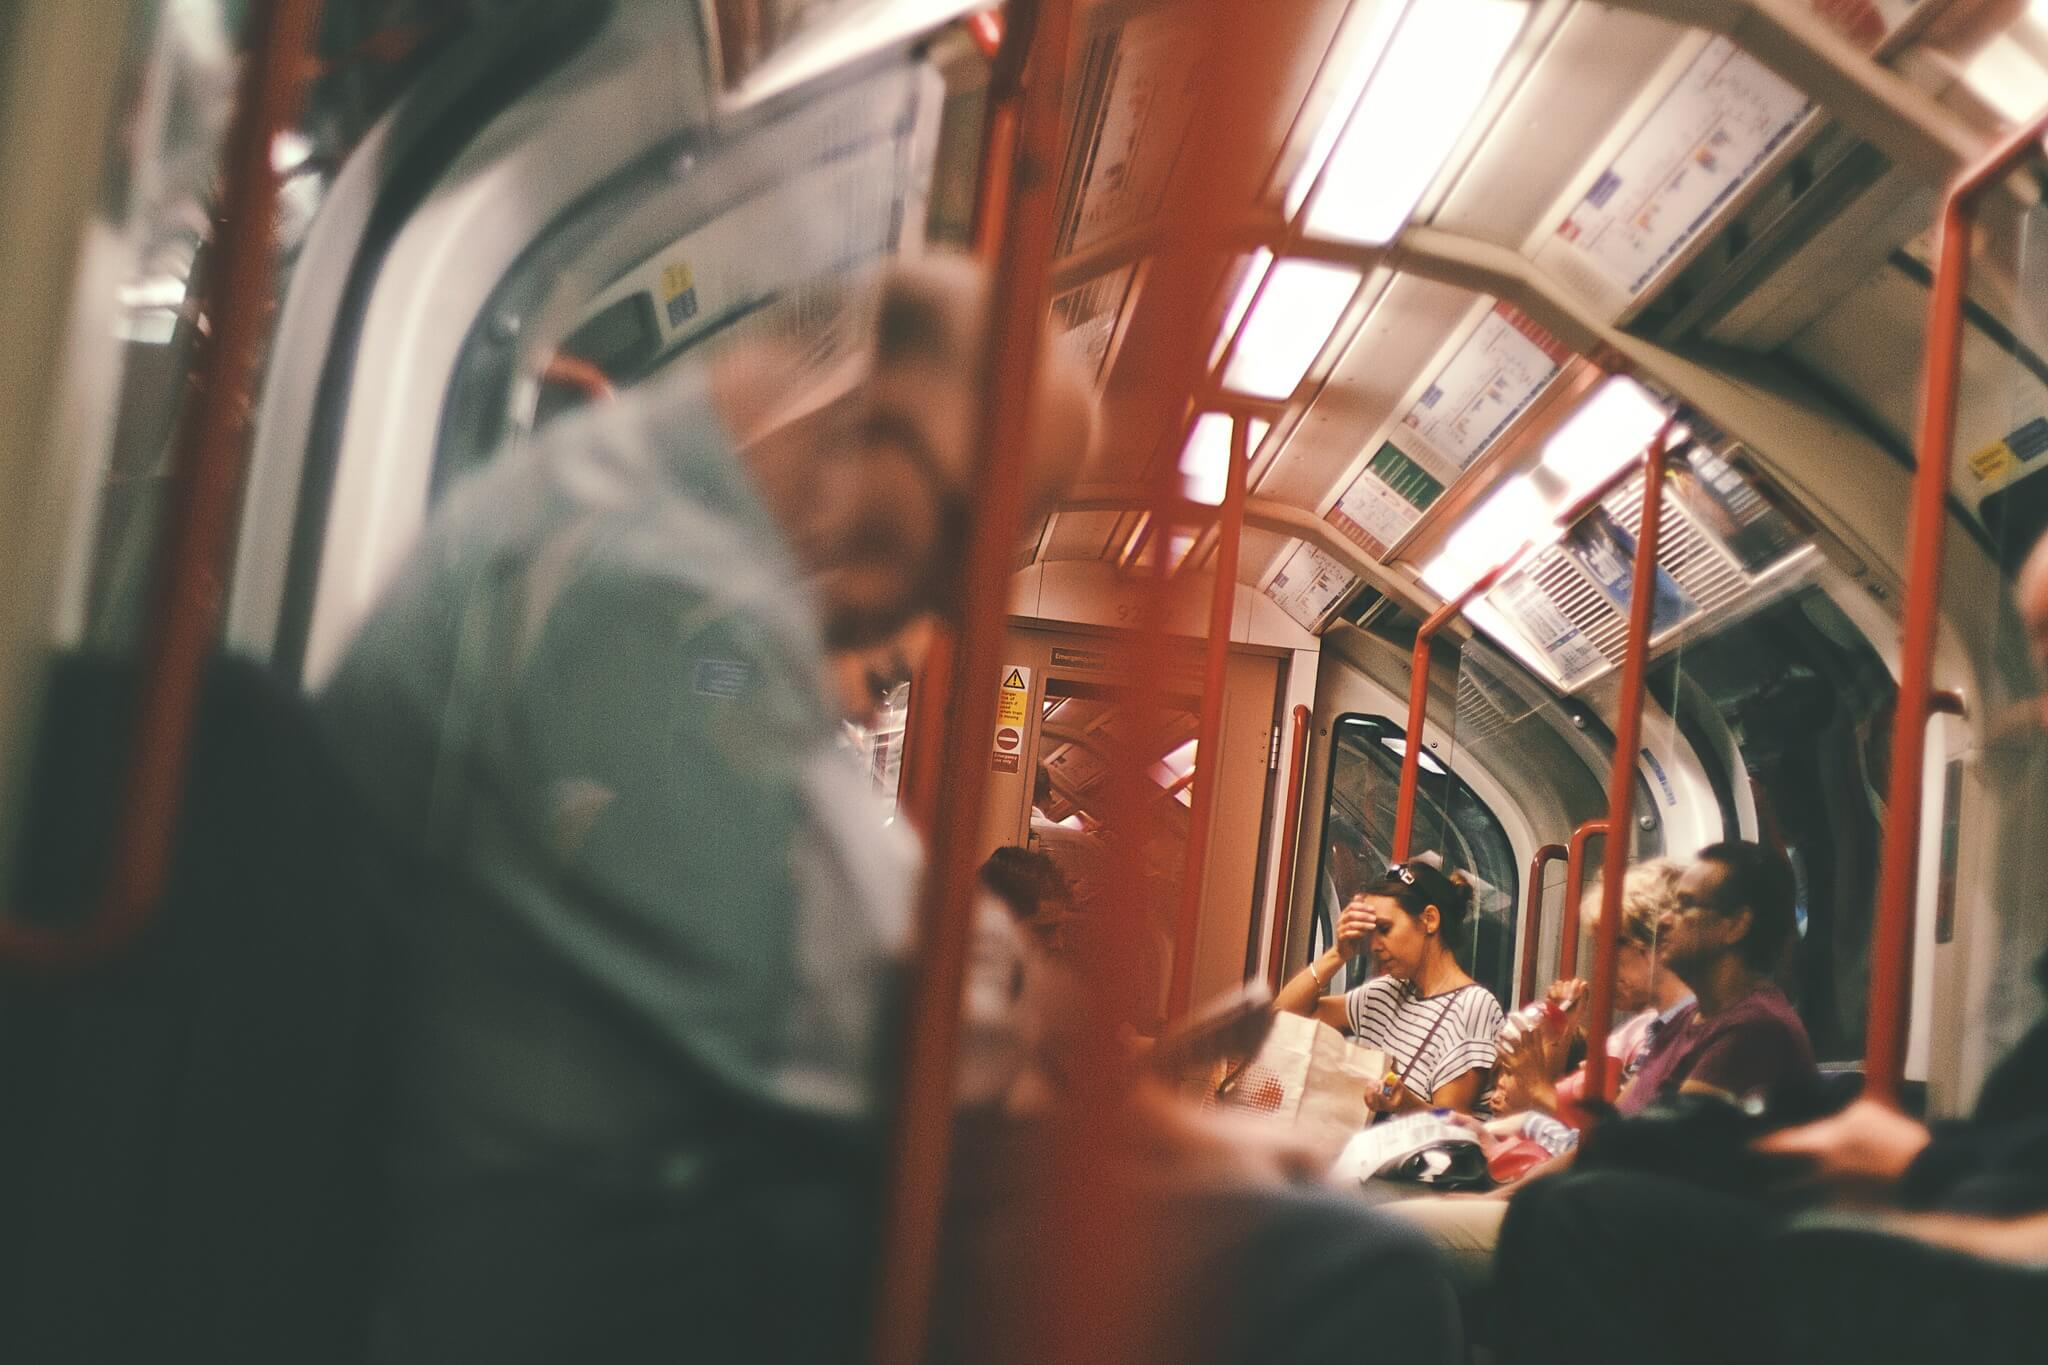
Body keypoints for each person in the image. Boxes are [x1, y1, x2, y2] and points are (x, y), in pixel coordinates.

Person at [322, 253, 1462, 1364]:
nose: (948, 589)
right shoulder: (645, 583)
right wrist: (1134, 1137)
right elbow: (872, 985)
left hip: (596, 1169)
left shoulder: (641, 538)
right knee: (1347, 1271)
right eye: (962, 519)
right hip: (549, 1235)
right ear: (855, 418)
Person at [1275, 858, 1504, 1117]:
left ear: (1429, 919)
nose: (1373, 946)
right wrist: (1338, 954)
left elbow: (1450, 1131)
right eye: (1370, 934)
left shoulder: (1473, 1006)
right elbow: (1282, 1019)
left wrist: (1403, 1102)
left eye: (1384, 929)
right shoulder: (1388, 992)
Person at [1610, 840, 1817, 1114]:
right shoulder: (1685, 1019)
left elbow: (1661, 1148)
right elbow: (1607, 1132)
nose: (1664, 921)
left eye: (1684, 905)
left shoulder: (1754, 1029)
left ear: (1735, 926)